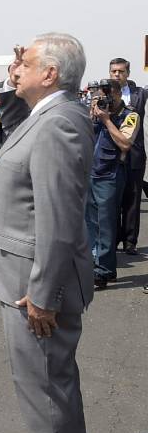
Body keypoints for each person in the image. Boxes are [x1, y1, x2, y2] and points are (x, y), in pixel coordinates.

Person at [0, 34, 93, 433]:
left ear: (49, 73)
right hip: (26, 274)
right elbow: (11, 126)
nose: (15, 67)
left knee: (45, 385)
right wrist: (15, 82)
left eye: (23, 62)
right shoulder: (47, 114)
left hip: (35, 283)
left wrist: (43, 294)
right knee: (51, 382)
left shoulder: (58, 124)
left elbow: (58, 218)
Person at [85, 79, 136, 288]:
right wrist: (92, 114)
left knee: (106, 225)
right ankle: (94, 264)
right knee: (90, 224)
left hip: (111, 175)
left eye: (107, 95)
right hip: (91, 173)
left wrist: (106, 120)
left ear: (117, 94)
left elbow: (125, 144)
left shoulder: (130, 115)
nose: (104, 99)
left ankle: (104, 271)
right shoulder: (97, 112)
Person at [109, 57, 146, 255]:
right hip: (111, 153)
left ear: (128, 73)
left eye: (121, 71)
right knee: (112, 199)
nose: (117, 75)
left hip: (135, 153)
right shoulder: (103, 94)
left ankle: (130, 241)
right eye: (114, 71)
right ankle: (112, 239)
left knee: (132, 199)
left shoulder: (140, 94)